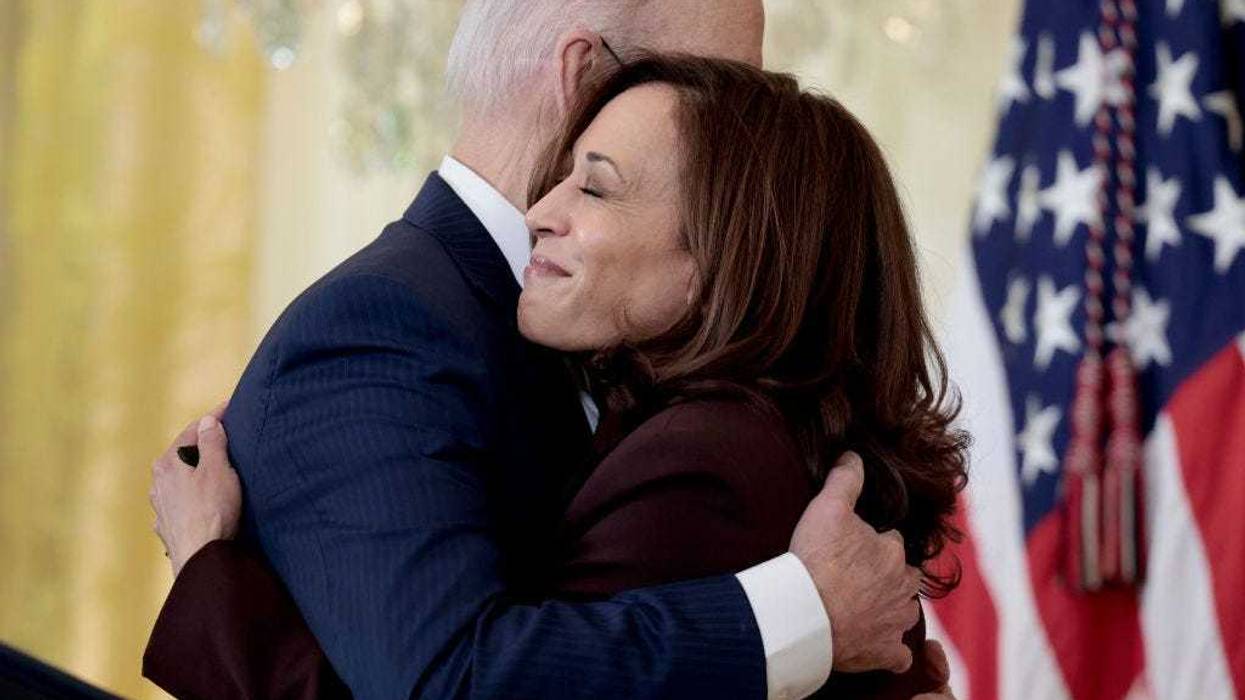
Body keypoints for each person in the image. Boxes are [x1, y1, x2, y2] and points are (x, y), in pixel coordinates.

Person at [146, 3, 956, 700]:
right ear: (584, 75)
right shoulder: (382, 325)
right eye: (713, 80)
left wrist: (213, 584)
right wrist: (806, 614)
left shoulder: (699, 414)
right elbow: (447, 680)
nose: (753, 136)